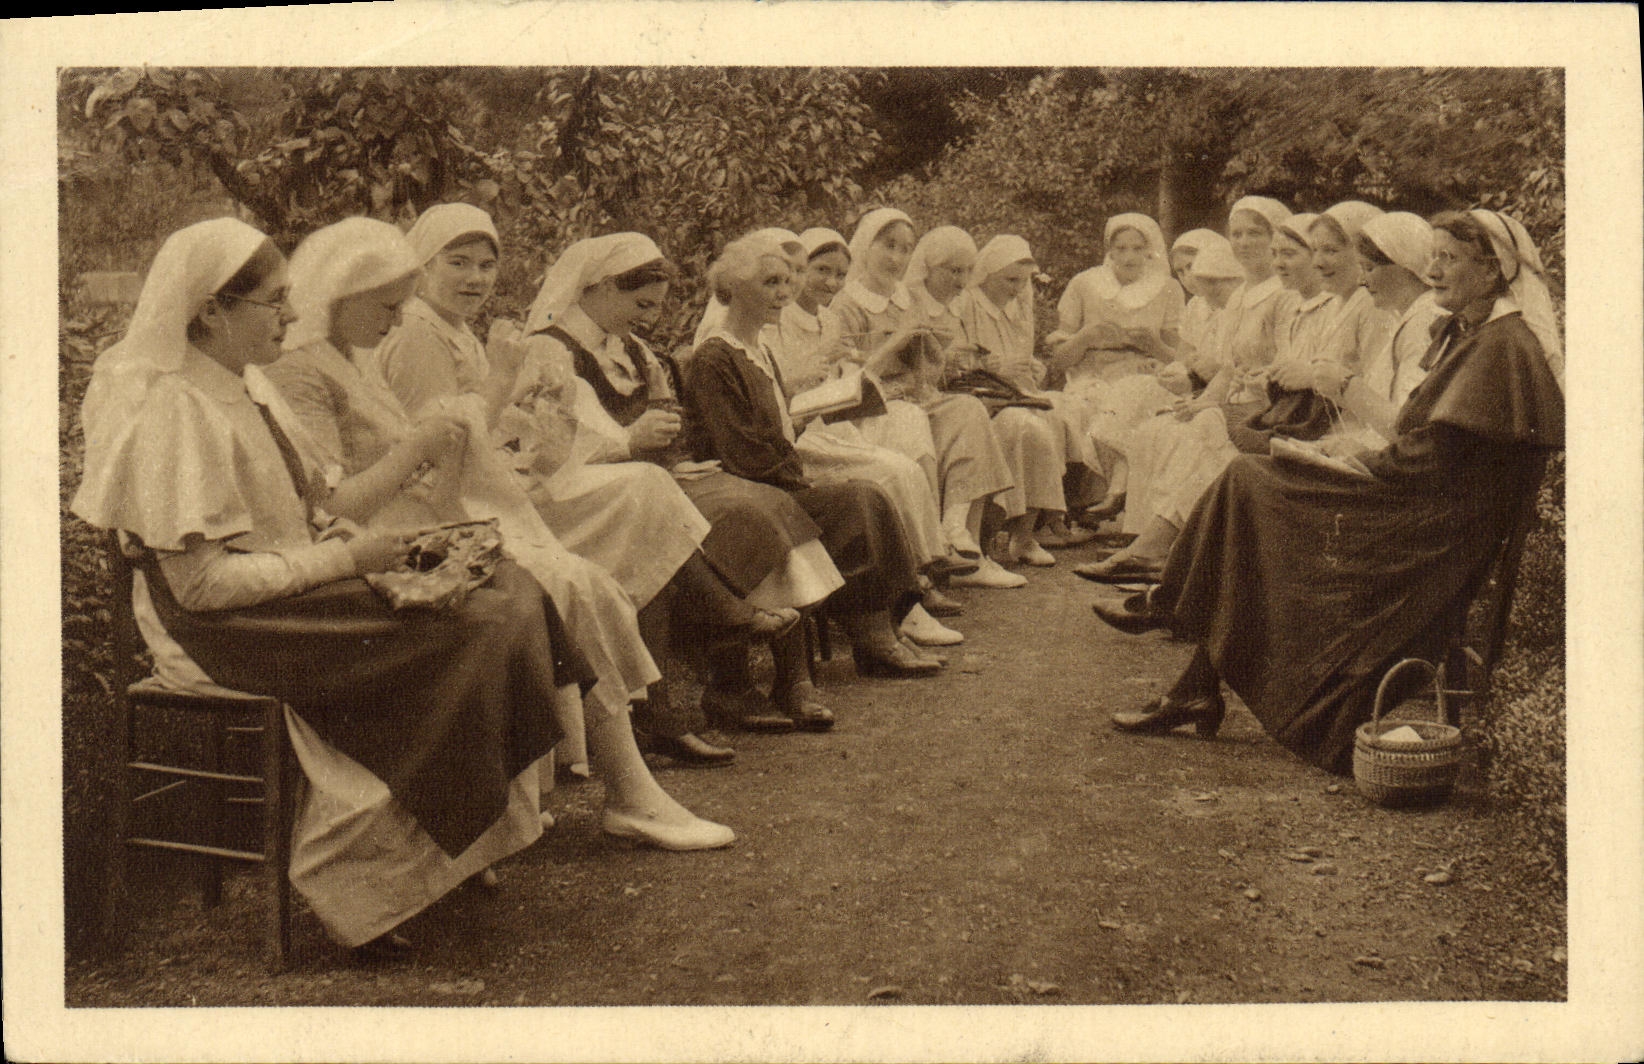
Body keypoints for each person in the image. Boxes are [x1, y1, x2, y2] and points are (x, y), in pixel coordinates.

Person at [265, 216, 735, 853]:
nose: (397, 320)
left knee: (579, 583)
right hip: (372, 545)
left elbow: (433, 461)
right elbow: (330, 505)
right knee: (566, 582)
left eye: (401, 306)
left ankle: (625, 792)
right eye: (386, 306)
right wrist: (430, 442)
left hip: (418, 523)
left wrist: (481, 428)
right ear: (339, 297)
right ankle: (627, 792)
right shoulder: (304, 372)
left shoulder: (358, 361)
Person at [1091, 209, 1564, 776]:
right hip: (1414, 504)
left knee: (1249, 483)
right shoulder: (1477, 334)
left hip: (1424, 532)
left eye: (1448, 259)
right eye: (1433, 256)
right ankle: (1189, 671)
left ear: (1493, 272)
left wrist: (1355, 461)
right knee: (1250, 482)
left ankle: (1174, 617)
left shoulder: (1503, 348)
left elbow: (1432, 460)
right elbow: (1427, 443)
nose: (1433, 270)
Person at [518, 230, 849, 733]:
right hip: (583, 490)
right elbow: (551, 447)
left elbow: (671, 419)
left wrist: (673, 447)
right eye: (640, 303)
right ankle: (730, 664)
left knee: (766, 500)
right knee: (743, 509)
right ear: (602, 287)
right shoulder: (550, 352)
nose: (646, 317)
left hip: (651, 477)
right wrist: (632, 439)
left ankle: (788, 673)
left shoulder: (628, 348)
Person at [683, 232, 944, 678]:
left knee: (869, 494)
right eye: (770, 283)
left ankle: (879, 631)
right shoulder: (715, 356)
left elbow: (778, 426)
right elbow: (737, 449)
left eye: (787, 282)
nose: (784, 294)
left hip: (778, 480)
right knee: (857, 498)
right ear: (735, 290)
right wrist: (796, 472)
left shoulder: (759, 350)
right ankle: (874, 635)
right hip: (753, 490)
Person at [1076, 198, 1292, 582]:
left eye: (1255, 233)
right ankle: (1147, 546)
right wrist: (1203, 401)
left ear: (1276, 238)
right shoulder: (1243, 295)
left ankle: (1159, 553)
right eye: (1236, 234)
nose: (1243, 242)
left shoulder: (1283, 295)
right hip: (1230, 405)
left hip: (1266, 412)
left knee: (1192, 435)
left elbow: (1282, 372)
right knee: (1157, 428)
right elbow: (1227, 367)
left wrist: (1216, 403)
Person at [827, 209, 1020, 577]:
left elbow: (926, 373)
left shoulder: (905, 299)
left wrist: (934, 353)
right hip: (873, 408)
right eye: (889, 246)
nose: (897, 258)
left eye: (905, 249)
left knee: (969, 410)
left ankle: (960, 533)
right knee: (915, 421)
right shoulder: (846, 304)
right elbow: (848, 382)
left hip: (917, 397)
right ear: (866, 246)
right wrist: (897, 343)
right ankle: (929, 552)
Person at [952, 234, 1099, 566]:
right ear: (987, 273)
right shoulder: (967, 304)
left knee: (1063, 411)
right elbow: (959, 362)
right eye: (1010, 280)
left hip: (1017, 394)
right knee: (1031, 428)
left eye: (1023, 281)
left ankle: (1034, 529)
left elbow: (1028, 368)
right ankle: (1016, 532)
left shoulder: (1017, 307)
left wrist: (1034, 368)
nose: (1017, 288)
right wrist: (996, 366)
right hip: (985, 399)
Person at [1047, 213, 1192, 522]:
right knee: (1080, 409)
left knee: (1131, 404)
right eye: (1120, 248)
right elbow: (1058, 360)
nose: (1128, 256)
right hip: (1090, 375)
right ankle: (1081, 508)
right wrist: (1087, 337)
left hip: (1144, 374)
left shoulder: (1167, 288)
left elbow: (1180, 358)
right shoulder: (1085, 284)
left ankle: (1121, 503)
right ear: (1109, 250)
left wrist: (1153, 344)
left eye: (1137, 248)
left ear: (1149, 250)